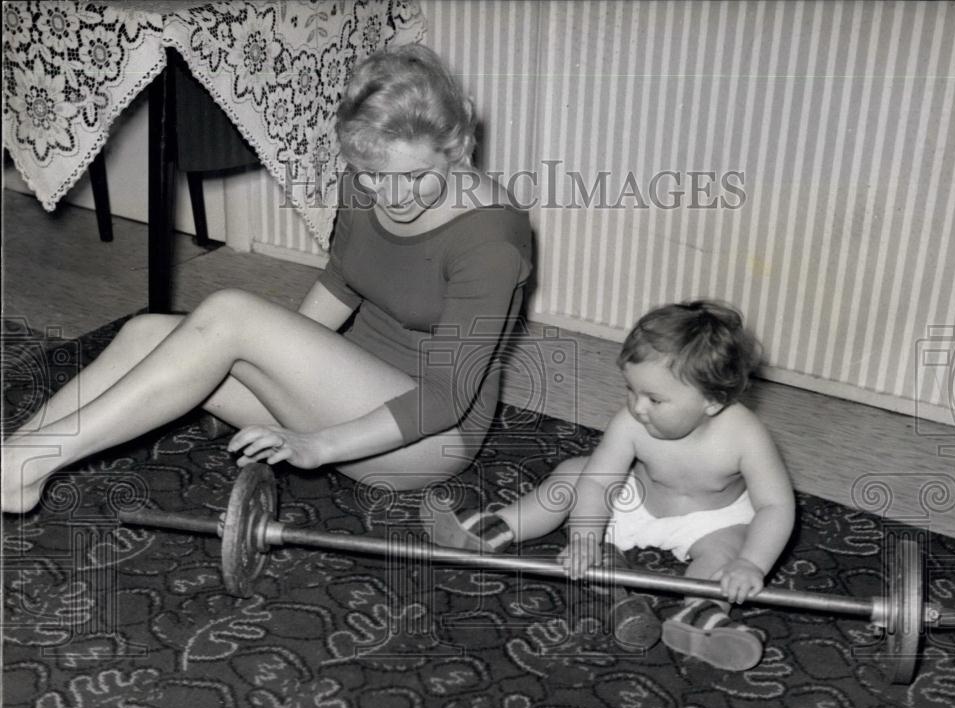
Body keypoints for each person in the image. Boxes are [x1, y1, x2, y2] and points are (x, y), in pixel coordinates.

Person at [2, 44, 531, 513]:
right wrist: (270, 361)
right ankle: (16, 462)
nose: (391, 196)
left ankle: (21, 467)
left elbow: (444, 399)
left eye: (415, 177)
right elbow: (344, 281)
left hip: (420, 443)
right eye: (372, 176)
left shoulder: (490, 240)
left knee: (231, 314)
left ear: (458, 145)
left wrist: (316, 447)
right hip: (342, 397)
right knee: (147, 334)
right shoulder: (366, 181)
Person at [423, 301, 795, 671]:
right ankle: (496, 527)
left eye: (654, 398)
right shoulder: (632, 422)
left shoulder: (747, 436)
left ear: (712, 401)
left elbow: (775, 507)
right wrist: (585, 537)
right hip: (641, 496)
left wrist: (751, 563)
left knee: (727, 550)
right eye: (631, 390)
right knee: (573, 473)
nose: (637, 406)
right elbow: (601, 483)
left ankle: (700, 612)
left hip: (711, 519)